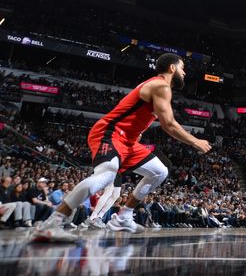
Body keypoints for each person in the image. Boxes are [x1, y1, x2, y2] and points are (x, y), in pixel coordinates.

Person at [32, 54, 212, 242]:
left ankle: (124, 216)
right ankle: (51, 223)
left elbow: (137, 113)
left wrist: (137, 131)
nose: (184, 72)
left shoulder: (158, 87)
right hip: (110, 132)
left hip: (129, 141)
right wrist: (194, 141)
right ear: (172, 68)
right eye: (182, 68)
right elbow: (169, 124)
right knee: (106, 176)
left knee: (159, 172)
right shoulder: (161, 86)